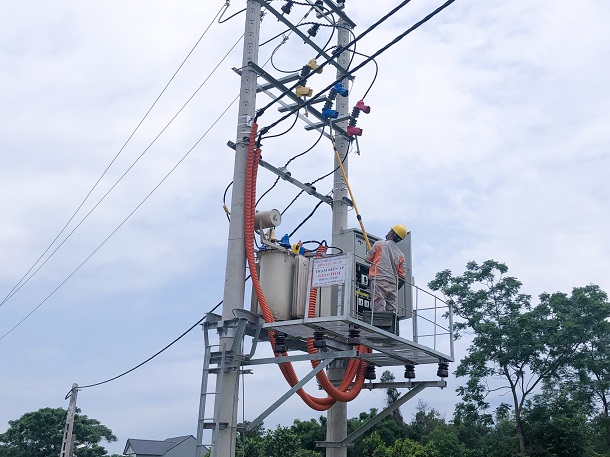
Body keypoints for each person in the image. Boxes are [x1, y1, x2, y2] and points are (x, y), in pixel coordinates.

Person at [366, 225, 407, 313]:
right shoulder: (401, 255)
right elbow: (402, 277)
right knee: (392, 309)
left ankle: (379, 324)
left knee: (379, 307)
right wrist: (395, 288)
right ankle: (392, 325)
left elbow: (368, 260)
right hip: (392, 284)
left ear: (392, 233)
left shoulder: (379, 244)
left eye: (390, 230)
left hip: (379, 279)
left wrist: (370, 252)